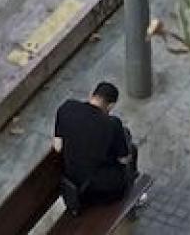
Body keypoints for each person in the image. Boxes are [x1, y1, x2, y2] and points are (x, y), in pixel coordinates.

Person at [53, 82, 139, 211]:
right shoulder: (112, 124)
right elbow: (124, 159)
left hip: (73, 183)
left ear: (92, 95)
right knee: (132, 151)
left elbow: (57, 146)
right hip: (100, 192)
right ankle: (133, 198)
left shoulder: (67, 108)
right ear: (111, 106)